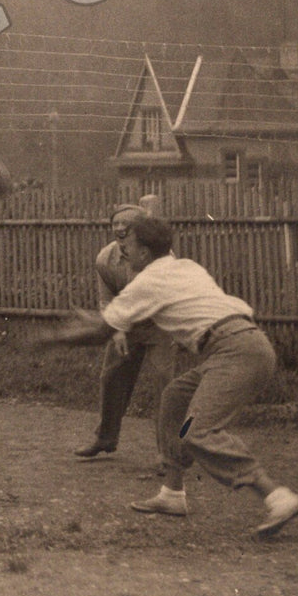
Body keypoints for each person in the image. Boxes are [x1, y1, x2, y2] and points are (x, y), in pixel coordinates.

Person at [45, 215, 298, 537]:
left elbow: (104, 330)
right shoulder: (185, 267)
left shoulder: (147, 282)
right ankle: (172, 492)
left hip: (236, 352)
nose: (122, 249)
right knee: (175, 399)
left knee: (199, 430)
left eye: (128, 243)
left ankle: (276, 496)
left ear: (143, 252)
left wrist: (53, 339)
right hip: (239, 346)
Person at [74, 197, 188, 463]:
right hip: (126, 325)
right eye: (116, 226)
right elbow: (106, 301)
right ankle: (105, 438)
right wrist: (117, 330)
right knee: (111, 376)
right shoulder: (105, 258)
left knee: (164, 382)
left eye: (128, 227)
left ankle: (167, 453)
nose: (121, 232)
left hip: (160, 324)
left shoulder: (160, 258)